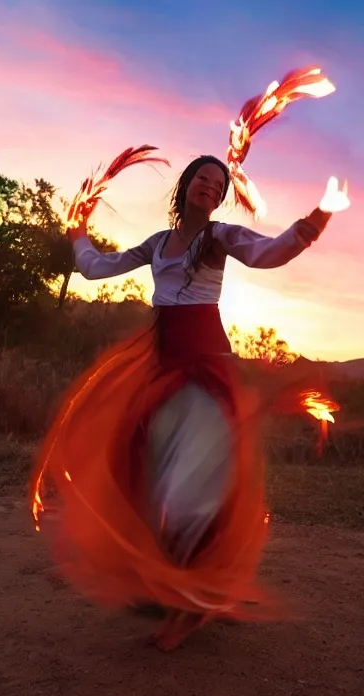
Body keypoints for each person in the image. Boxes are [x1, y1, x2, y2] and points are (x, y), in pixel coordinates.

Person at [32, 154, 331, 651]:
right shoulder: (157, 244)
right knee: (148, 481)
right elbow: (94, 268)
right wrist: (77, 231)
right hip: (163, 371)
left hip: (206, 371)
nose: (211, 188)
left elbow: (268, 253)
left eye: (219, 184)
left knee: (186, 490)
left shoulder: (219, 237)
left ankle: (189, 605)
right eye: (203, 179)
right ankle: (172, 587)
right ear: (187, 184)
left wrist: (316, 219)